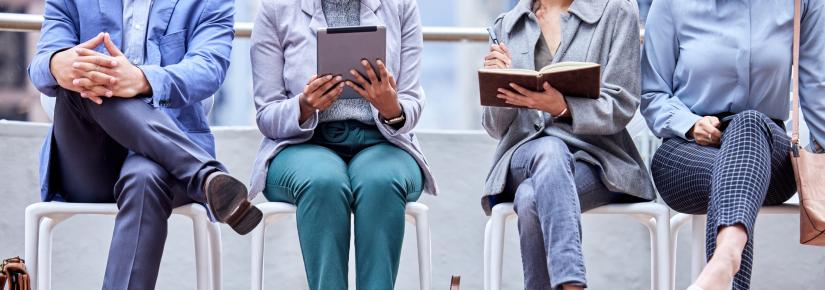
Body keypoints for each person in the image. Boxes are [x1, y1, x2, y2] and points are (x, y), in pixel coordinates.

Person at [28, 0, 263, 289]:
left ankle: (197, 172)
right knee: (86, 73)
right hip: (88, 159)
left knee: (145, 177)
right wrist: (56, 63)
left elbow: (208, 68)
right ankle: (204, 174)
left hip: (158, 165)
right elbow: (40, 64)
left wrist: (142, 80)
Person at [248, 0, 436, 289]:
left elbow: (410, 99)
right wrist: (304, 106)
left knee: (381, 181)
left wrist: (391, 108)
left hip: (383, 141)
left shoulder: (401, 6)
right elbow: (266, 114)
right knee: (324, 181)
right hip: (303, 145)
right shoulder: (276, 8)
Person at [641, 1, 825, 289]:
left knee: (748, 123)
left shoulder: (801, 3)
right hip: (687, 153)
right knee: (734, 175)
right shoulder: (671, 5)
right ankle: (726, 257)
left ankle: (725, 260)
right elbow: (653, 95)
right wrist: (689, 124)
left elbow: (817, 88)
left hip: (769, 152)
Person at [481, 0, 654, 289]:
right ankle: (572, 284)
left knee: (530, 198)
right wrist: (496, 78)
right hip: (526, 154)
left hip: (596, 160)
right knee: (550, 150)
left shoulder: (617, 11)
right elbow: (495, 127)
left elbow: (622, 104)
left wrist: (564, 107)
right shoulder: (508, 24)